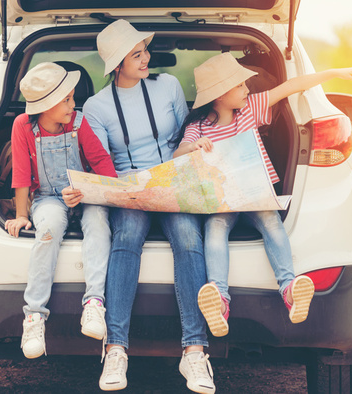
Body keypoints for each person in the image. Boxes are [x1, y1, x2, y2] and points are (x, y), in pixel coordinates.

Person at [172, 53, 352, 338]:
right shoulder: (198, 127)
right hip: (221, 200)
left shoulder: (251, 108)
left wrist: (336, 71)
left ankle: (289, 289)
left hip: (255, 194)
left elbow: (293, 86)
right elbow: (177, 154)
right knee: (214, 230)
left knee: (272, 222)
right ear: (220, 94)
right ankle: (219, 301)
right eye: (240, 85)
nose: (247, 89)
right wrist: (193, 147)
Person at [82, 20, 212, 393]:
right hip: (129, 189)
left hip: (173, 180)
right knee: (126, 237)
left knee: (189, 238)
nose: (146, 58)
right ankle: (116, 349)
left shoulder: (168, 86)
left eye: (145, 50)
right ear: (117, 65)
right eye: (136, 54)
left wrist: (186, 155)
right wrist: (130, 188)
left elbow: (182, 136)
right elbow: (102, 163)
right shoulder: (96, 106)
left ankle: (194, 351)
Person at [5, 62, 117, 359]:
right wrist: (20, 215)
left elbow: (102, 164)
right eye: (66, 99)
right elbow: (21, 174)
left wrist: (94, 191)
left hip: (85, 193)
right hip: (47, 198)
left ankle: (94, 303)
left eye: (72, 98)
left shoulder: (79, 123)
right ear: (45, 106)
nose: (73, 104)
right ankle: (35, 316)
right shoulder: (22, 126)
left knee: (97, 222)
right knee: (49, 229)